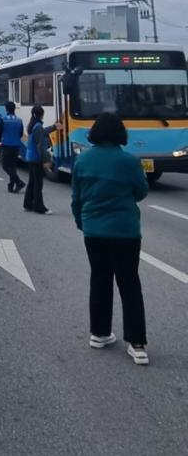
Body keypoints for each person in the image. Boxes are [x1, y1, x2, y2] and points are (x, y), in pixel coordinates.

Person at [71, 112, 149, 365]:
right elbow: (141, 192)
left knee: (99, 279)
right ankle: (137, 344)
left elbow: (76, 199)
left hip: (94, 231)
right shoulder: (130, 161)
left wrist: (83, 223)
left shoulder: (83, 160)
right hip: (125, 231)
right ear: (120, 133)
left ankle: (99, 333)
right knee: (130, 284)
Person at [22, 105, 59, 214]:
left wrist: (54, 127)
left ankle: (28, 204)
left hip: (30, 156)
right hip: (36, 157)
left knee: (32, 182)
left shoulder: (33, 124)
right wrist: (46, 160)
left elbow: (42, 132)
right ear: (41, 114)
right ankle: (39, 207)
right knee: (38, 184)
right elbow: (41, 146)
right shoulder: (38, 126)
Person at [0, 101, 25, 193]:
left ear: (6, 109)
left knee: (5, 166)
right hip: (16, 146)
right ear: (14, 109)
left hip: (6, 145)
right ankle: (11, 185)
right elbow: (21, 133)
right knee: (12, 166)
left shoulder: (3, 119)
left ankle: (19, 182)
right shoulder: (19, 120)